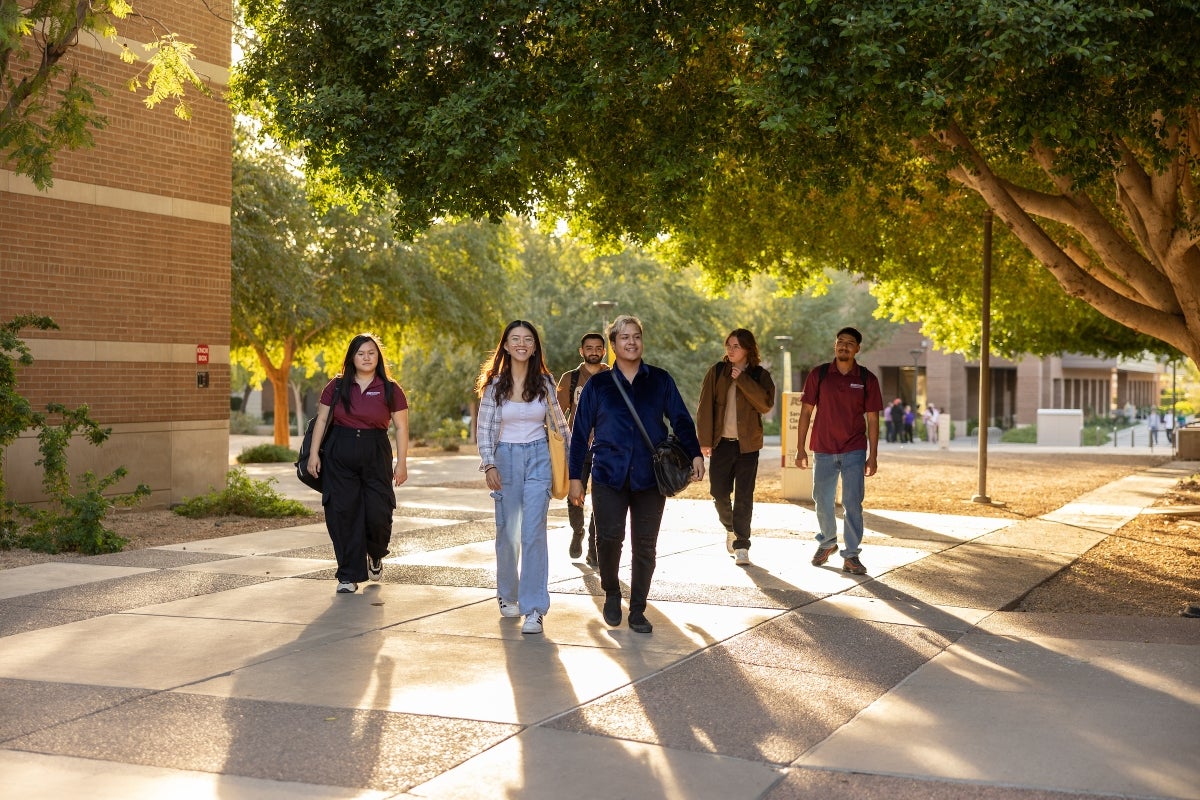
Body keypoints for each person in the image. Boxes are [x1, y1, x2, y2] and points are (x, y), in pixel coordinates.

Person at [568, 314, 704, 633]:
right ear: (613, 345)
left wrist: (695, 452)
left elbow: (681, 420)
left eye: (636, 336)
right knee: (610, 540)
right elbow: (579, 433)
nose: (631, 342)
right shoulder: (598, 385)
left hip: (649, 479)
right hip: (608, 476)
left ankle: (639, 608)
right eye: (624, 337)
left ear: (642, 341)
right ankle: (612, 592)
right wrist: (576, 477)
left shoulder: (660, 380)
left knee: (645, 545)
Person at [476, 320, 571, 636]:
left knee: (532, 533)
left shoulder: (544, 383)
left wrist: (575, 468)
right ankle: (508, 594)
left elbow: (560, 425)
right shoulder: (493, 386)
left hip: (539, 458)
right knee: (509, 533)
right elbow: (485, 428)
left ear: (534, 346)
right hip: (505, 458)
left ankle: (534, 609)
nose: (521, 343)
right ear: (505, 345)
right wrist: (489, 464)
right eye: (515, 339)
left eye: (527, 339)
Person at [307, 333, 409, 594]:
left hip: (376, 451)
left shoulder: (390, 388)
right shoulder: (337, 386)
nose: (366, 357)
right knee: (343, 513)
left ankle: (375, 552)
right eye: (361, 353)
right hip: (340, 451)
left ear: (378, 357)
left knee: (379, 512)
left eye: (371, 353)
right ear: (352, 357)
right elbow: (320, 420)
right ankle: (348, 575)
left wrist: (402, 463)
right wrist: (314, 454)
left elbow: (400, 428)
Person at [793, 326, 884, 575]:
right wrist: (800, 448)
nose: (844, 346)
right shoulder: (819, 374)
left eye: (849, 343)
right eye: (840, 341)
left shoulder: (867, 379)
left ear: (857, 349)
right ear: (835, 346)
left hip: (854, 449)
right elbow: (805, 413)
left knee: (853, 503)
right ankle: (827, 542)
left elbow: (873, 420)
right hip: (823, 448)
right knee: (822, 501)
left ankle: (851, 555)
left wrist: (872, 455)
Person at [695, 328, 775, 566]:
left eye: (736, 346)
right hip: (721, 444)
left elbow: (765, 404)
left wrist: (743, 379)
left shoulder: (760, 375)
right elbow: (704, 407)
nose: (730, 350)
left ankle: (742, 544)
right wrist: (704, 441)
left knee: (743, 497)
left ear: (748, 349)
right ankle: (731, 527)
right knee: (718, 493)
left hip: (747, 446)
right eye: (728, 345)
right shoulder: (717, 371)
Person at [555, 332, 610, 566]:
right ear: (582, 351)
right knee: (574, 495)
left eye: (598, 347)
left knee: (602, 499)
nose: (594, 351)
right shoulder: (570, 379)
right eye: (589, 348)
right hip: (576, 447)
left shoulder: (613, 377)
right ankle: (578, 531)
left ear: (604, 351)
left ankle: (593, 547)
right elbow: (556, 415)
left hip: (605, 448)